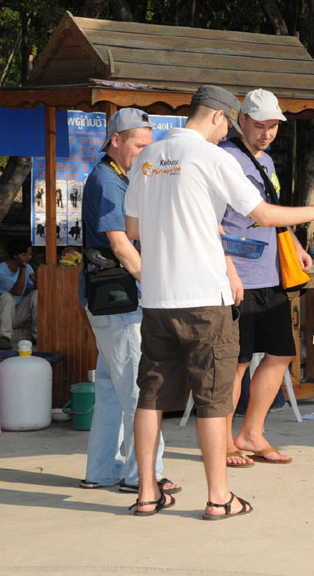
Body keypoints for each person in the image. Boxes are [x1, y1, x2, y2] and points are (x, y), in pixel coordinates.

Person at [124, 84, 314, 519]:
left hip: (156, 298)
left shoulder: (148, 158)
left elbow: (133, 229)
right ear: (220, 117)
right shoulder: (214, 157)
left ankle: (148, 493)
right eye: (227, 122)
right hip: (205, 299)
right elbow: (261, 215)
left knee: (150, 397)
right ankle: (218, 497)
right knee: (213, 397)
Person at [78, 108, 179, 497]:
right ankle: (144, 475)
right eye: (139, 145)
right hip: (118, 301)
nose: (144, 152)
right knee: (141, 390)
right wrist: (155, 286)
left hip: (111, 301)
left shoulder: (122, 176)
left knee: (108, 389)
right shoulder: (107, 181)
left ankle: (101, 471)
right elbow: (121, 245)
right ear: (116, 140)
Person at [219, 89, 310, 467]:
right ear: (241, 121)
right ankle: (223, 441)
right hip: (237, 277)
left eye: (273, 125)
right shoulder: (224, 157)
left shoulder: (267, 161)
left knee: (282, 352)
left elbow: (270, 213)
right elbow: (212, 222)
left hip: (270, 276)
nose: (267, 133)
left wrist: (296, 245)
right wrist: (227, 268)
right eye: (260, 125)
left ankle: (251, 433)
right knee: (236, 362)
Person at [0, 239, 38, 350]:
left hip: (15, 315)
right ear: (19, 256)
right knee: (7, 297)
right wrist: (23, 268)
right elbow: (17, 292)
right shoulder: (1, 271)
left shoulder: (28, 267)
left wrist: (36, 282)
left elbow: (32, 292)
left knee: (37, 294)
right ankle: (3, 338)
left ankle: (38, 336)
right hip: (1, 318)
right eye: (28, 254)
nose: (30, 257)